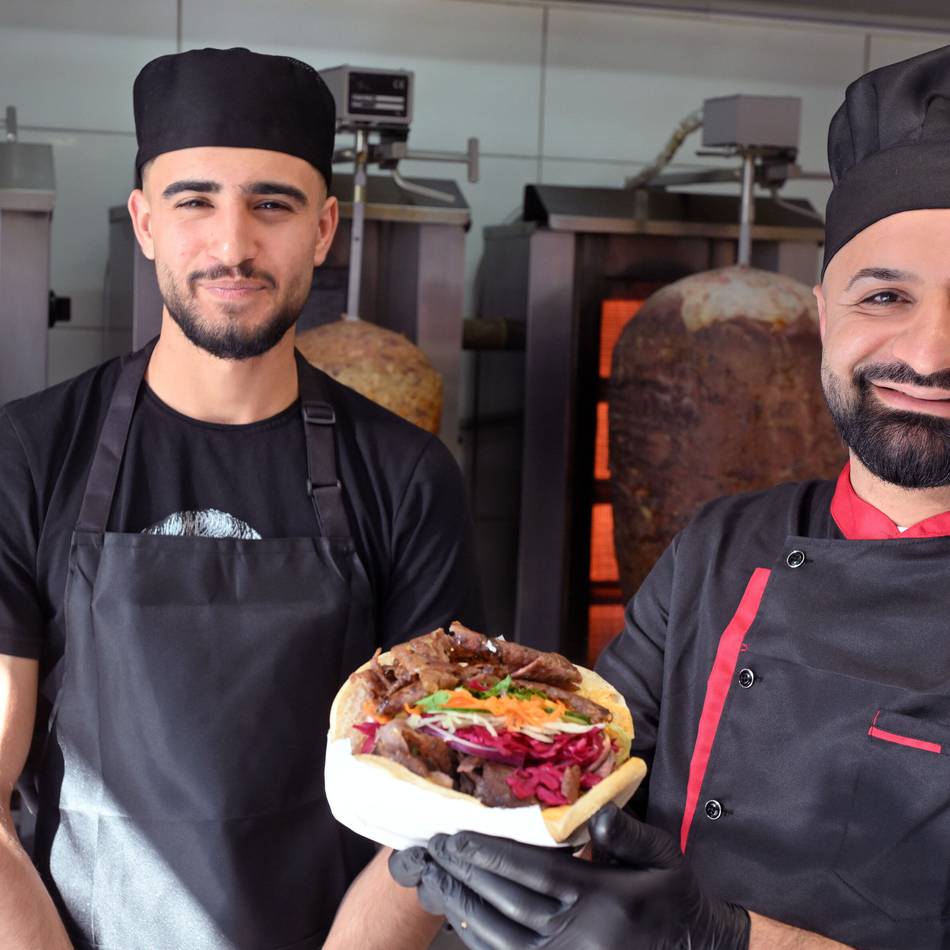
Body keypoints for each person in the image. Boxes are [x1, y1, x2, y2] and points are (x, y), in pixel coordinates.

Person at [390, 43, 950, 950]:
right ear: (822, 314)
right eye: (884, 294)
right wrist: (496, 833)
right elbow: (582, 776)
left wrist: (721, 940)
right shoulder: (724, 546)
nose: (928, 356)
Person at [0, 47, 480, 949]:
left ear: (325, 228)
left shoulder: (409, 478)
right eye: (194, 201)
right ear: (144, 221)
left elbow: (437, 793)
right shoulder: (25, 455)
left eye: (272, 203)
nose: (232, 246)